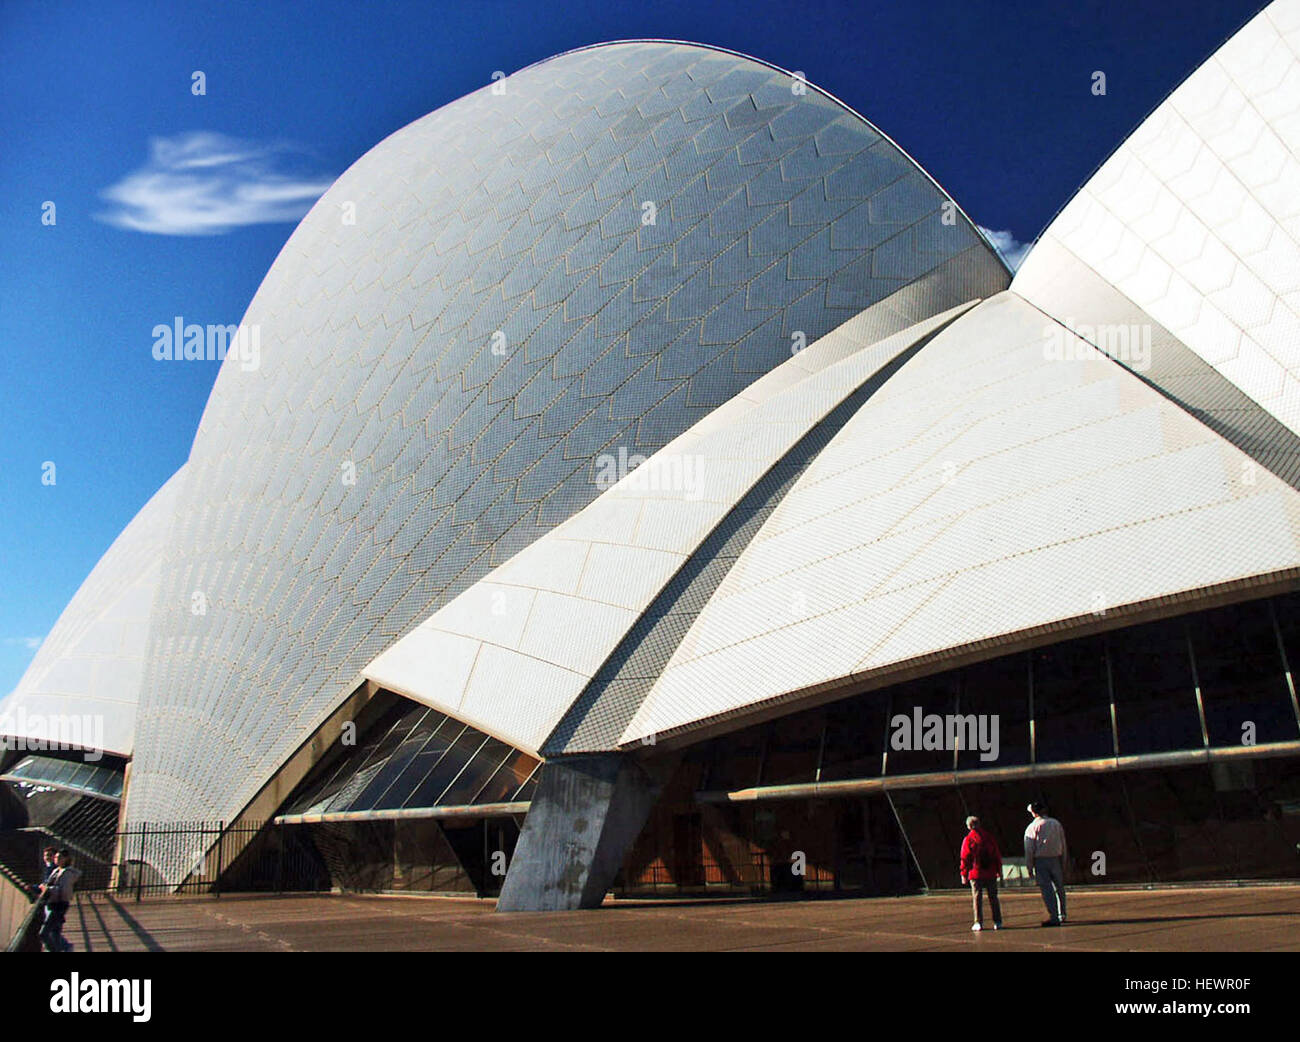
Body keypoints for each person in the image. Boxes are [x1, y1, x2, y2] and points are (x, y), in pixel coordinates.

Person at [1024, 801, 1068, 926]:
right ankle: (1062, 913)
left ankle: (1053, 916)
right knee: (1059, 887)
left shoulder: (1032, 827)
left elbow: (1029, 848)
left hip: (1041, 860)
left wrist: (1029, 866)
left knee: (1047, 889)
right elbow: (1063, 842)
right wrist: (1064, 860)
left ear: (1033, 813)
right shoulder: (1056, 823)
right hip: (1056, 858)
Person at [959, 815, 1003, 931]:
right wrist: (999, 870)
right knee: (993, 897)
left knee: (977, 898)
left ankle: (978, 922)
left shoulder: (968, 839)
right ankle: (997, 922)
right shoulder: (989, 837)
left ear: (969, 826)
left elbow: (965, 857)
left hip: (976, 873)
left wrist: (964, 873)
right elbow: (996, 855)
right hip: (990, 872)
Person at [38, 850, 81, 953]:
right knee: (55, 932)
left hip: (58, 905)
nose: (56, 859)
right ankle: (64, 948)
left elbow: (64, 892)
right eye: (56, 857)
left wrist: (47, 889)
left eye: (59, 857)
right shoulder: (57, 870)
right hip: (53, 903)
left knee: (44, 933)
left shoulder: (67, 873)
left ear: (66, 859)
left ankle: (58, 949)